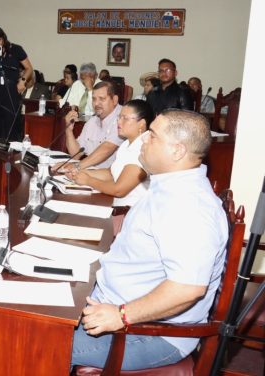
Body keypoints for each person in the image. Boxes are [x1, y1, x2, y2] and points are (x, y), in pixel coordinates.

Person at [71, 110, 227, 371]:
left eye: (153, 135)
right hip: (112, 302)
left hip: (149, 332)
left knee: (35, 340)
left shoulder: (190, 208)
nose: (143, 139)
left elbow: (187, 289)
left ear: (177, 150)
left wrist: (122, 315)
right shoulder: (169, 187)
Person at [65, 99, 155, 232]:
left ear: (141, 123)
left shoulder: (143, 148)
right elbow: (111, 173)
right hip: (116, 207)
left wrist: (88, 180)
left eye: (125, 118)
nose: (119, 122)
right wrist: (81, 172)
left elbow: (119, 190)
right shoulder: (127, 143)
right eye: (119, 117)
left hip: (130, 216)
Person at [57, 80, 123, 171]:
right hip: (91, 173)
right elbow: (75, 154)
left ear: (114, 100)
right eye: (94, 99)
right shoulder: (92, 122)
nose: (96, 103)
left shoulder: (123, 118)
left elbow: (107, 148)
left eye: (102, 99)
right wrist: (68, 130)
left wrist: (77, 166)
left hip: (112, 176)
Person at [0, 25, 33, 142]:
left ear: (4, 38)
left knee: (11, 122)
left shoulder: (16, 49)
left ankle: (11, 147)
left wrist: (23, 81)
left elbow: (29, 68)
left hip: (11, 90)